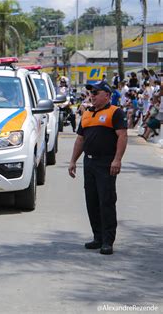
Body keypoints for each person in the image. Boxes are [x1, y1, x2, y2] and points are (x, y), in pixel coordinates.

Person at [68, 80, 128, 255]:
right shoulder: (87, 113)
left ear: (107, 95)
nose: (92, 96)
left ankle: (108, 241)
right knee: (92, 201)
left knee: (106, 201)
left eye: (96, 92)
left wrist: (117, 160)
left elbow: (122, 136)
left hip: (106, 162)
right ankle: (98, 237)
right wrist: (73, 161)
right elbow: (80, 139)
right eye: (90, 93)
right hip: (90, 162)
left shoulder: (115, 112)